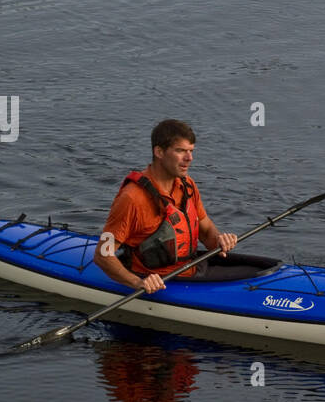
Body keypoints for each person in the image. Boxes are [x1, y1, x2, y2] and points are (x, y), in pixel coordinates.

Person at [94, 119, 239, 293]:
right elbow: (103, 254)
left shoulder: (187, 185)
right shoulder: (131, 199)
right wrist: (137, 283)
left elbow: (206, 230)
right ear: (159, 152)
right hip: (159, 282)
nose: (189, 158)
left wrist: (220, 240)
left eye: (191, 151)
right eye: (180, 151)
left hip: (193, 272)